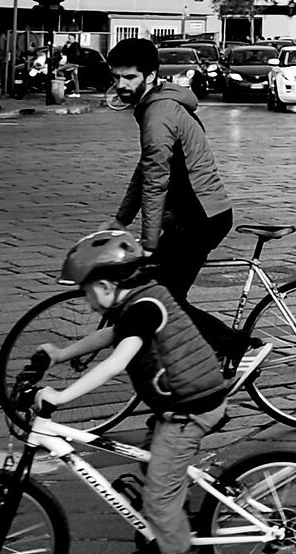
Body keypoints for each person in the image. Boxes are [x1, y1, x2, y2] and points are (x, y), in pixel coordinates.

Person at [35, 230, 238, 554]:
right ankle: (172, 537)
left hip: (189, 411)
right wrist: (61, 353)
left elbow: (115, 361)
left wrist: (61, 397)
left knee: (159, 502)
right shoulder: (139, 301)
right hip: (178, 404)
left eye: (86, 291)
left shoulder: (145, 309)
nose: (87, 300)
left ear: (107, 286)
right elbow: (109, 335)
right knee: (155, 479)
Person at [105, 39, 251, 359]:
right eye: (116, 77)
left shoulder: (158, 113)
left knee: (163, 300)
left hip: (200, 216)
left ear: (151, 75)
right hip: (192, 213)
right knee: (160, 293)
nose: (121, 85)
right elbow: (146, 168)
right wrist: (121, 219)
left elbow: (156, 182)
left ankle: (234, 346)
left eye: (129, 77)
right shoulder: (158, 104)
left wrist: (148, 242)